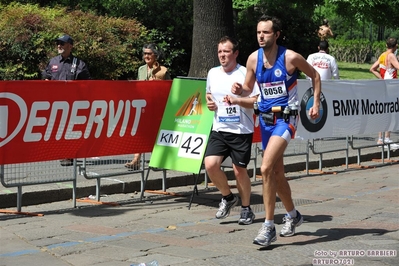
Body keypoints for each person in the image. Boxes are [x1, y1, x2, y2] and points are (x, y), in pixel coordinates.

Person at [231, 15, 321, 246]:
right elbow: (249, 89)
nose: (261, 36)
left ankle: (268, 225)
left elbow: (315, 75)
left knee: (265, 167)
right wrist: (239, 88)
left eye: (266, 32)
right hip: (266, 121)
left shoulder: (290, 57)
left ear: (276, 34)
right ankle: (293, 216)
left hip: (287, 120)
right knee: (277, 174)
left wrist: (316, 103)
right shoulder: (253, 59)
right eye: (258, 32)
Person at [204, 36, 260, 225]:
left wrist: (237, 99)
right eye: (220, 51)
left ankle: (246, 209)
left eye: (226, 51)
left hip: (240, 130)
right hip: (220, 128)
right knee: (210, 164)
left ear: (235, 53)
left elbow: (256, 101)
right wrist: (210, 102)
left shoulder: (245, 73)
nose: (222, 55)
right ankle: (228, 198)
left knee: (239, 171)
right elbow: (209, 94)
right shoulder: (212, 72)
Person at [42, 34, 91, 166]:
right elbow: (46, 77)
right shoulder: (53, 62)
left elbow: (87, 84)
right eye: (58, 43)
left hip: (73, 104)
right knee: (57, 128)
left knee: (70, 129)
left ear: (70, 46)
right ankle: (61, 152)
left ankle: (69, 155)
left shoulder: (79, 64)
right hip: (56, 103)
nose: (59, 46)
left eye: (62, 44)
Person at [125, 43, 171, 169]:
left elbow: (169, 89)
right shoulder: (141, 69)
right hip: (143, 107)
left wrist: (157, 84)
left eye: (149, 53)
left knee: (156, 134)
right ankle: (136, 160)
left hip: (157, 107)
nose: (146, 56)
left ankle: (158, 160)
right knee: (140, 132)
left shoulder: (163, 71)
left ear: (155, 55)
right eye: (145, 53)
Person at [370, 37, 399, 148]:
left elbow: (372, 69)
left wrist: (382, 78)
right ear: (395, 46)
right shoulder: (391, 56)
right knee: (391, 112)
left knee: (384, 111)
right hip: (391, 86)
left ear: (386, 45)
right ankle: (386, 139)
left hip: (384, 85)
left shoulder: (382, 55)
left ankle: (380, 139)